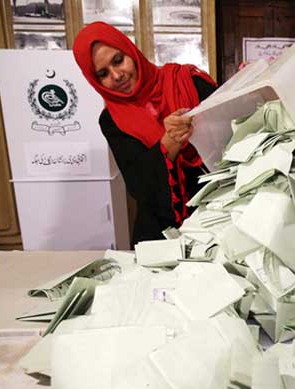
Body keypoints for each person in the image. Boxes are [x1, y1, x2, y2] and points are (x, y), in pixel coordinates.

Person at [73, 22, 216, 245]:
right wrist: (169, 143)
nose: (117, 75)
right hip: (162, 235)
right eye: (103, 73)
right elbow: (139, 185)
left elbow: (235, 132)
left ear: (131, 52)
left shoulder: (188, 83)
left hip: (219, 219)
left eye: (118, 60)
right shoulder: (112, 120)